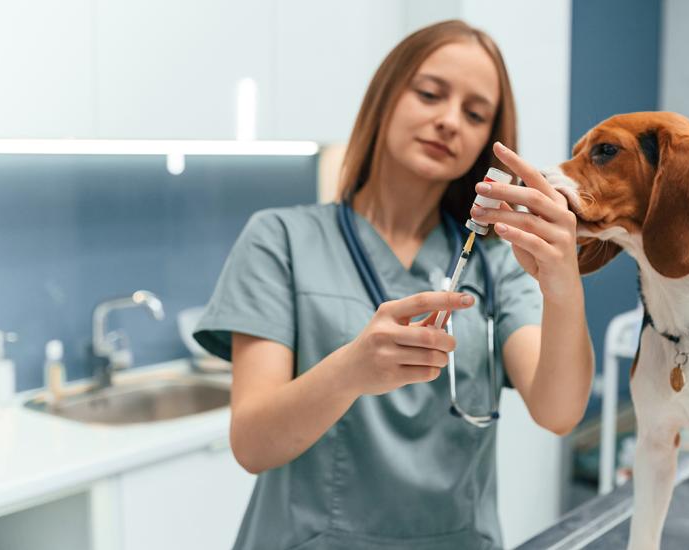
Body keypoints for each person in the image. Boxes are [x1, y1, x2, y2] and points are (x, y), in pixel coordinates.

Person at [194, 19, 593, 550]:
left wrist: (563, 282)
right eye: (429, 94)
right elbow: (252, 443)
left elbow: (559, 410)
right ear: (385, 97)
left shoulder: (497, 262)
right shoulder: (280, 239)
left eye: (475, 114)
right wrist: (351, 370)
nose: (450, 121)